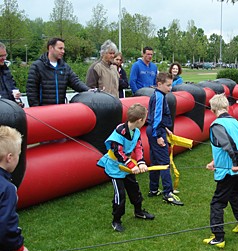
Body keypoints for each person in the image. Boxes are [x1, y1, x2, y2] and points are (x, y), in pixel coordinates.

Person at [203, 94, 238, 248]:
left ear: (213, 109)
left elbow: (229, 145)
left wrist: (235, 162)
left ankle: (218, 237)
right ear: (226, 107)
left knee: (217, 202)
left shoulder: (217, 125)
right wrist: (215, 162)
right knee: (233, 193)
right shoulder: (236, 123)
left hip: (232, 169)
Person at [97, 103, 155, 232]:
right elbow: (118, 152)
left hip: (128, 165)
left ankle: (138, 211)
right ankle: (116, 220)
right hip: (115, 167)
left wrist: (140, 162)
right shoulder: (120, 131)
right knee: (120, 195)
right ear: (140, 120)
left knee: (134, 189)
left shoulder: (136, 131)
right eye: (145, 119)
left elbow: (139, 147)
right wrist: (130, 165)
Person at [0, 125, 29, 251]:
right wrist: (18, 247)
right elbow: (5, 227)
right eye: (18, 154)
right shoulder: (7, 189)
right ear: (9, 158)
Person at [146, 72, 183, 206]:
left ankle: (153, 189)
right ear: (159, 84)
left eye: (171, 85)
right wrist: (158, 136)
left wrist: (165, 129)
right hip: (156, 131)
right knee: (164, 162)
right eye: (168, 85)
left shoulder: (159, 95)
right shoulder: (159, 97)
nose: (170, 88)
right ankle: (168, 193)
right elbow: (156, 117)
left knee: (155, 160)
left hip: (158, 129)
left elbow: (159, 117)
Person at [26, 37, 89, 107]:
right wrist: (36, 109)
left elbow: (76, 82)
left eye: (63, 49)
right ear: (51, 48)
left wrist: (89, 91)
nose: (63, 51)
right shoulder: (37, 66)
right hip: (42, 112)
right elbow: (31, 91)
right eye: (60, 48)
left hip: (59, 111)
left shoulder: (65, 67)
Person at [0, 43, 24, 108]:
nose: (4, 58)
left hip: (10, 110)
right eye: (1, 56)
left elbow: (13, 88)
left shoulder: (6, 70)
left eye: (5, 55)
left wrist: (18, 101)